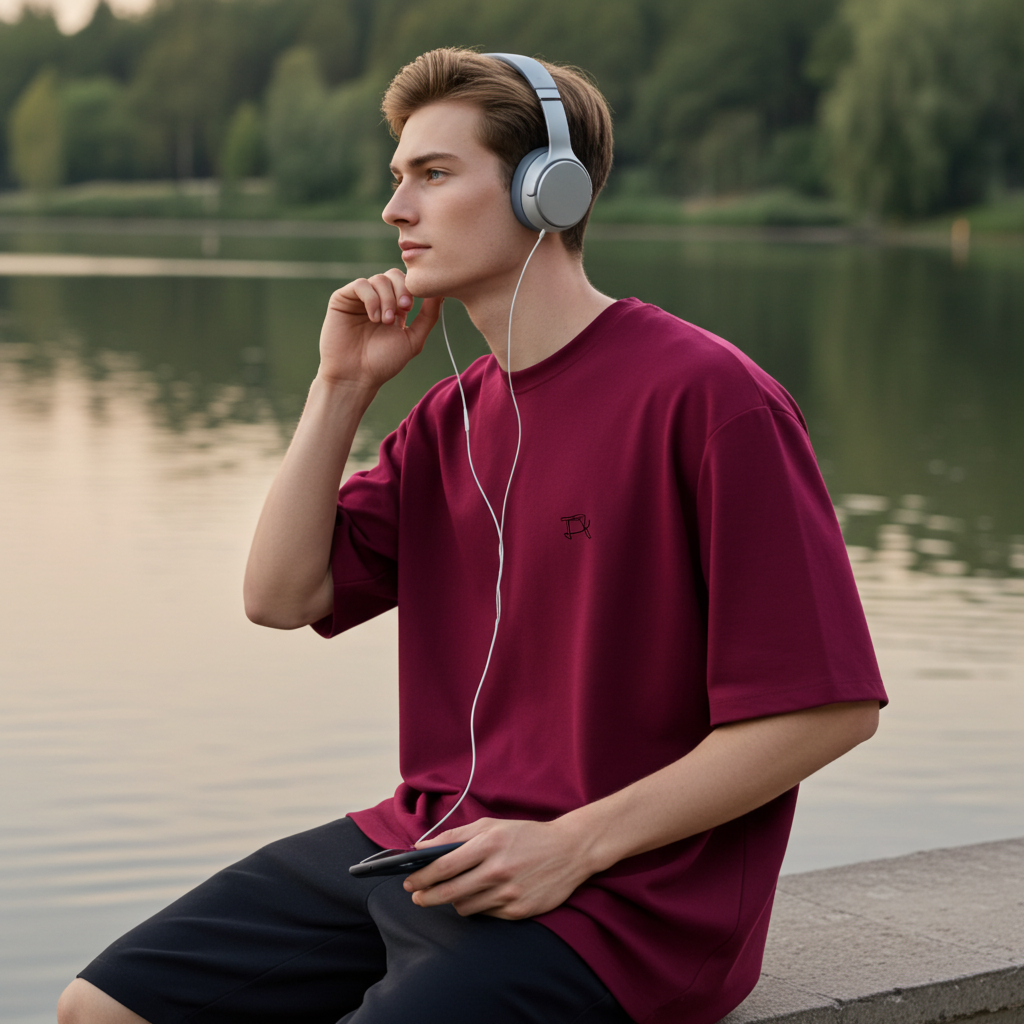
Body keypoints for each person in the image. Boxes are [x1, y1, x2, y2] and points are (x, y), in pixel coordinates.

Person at [58, 48, 886, 1024]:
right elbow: (281, 596)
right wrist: (342, 387)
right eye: (397, 177)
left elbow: (830, 709)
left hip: (621, 909)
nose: (394, 210)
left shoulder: (707, 399)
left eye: (434, 174)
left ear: (549, 189)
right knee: (101, 1008)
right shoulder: (445, 420)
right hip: (429, 840)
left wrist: (572, 843)